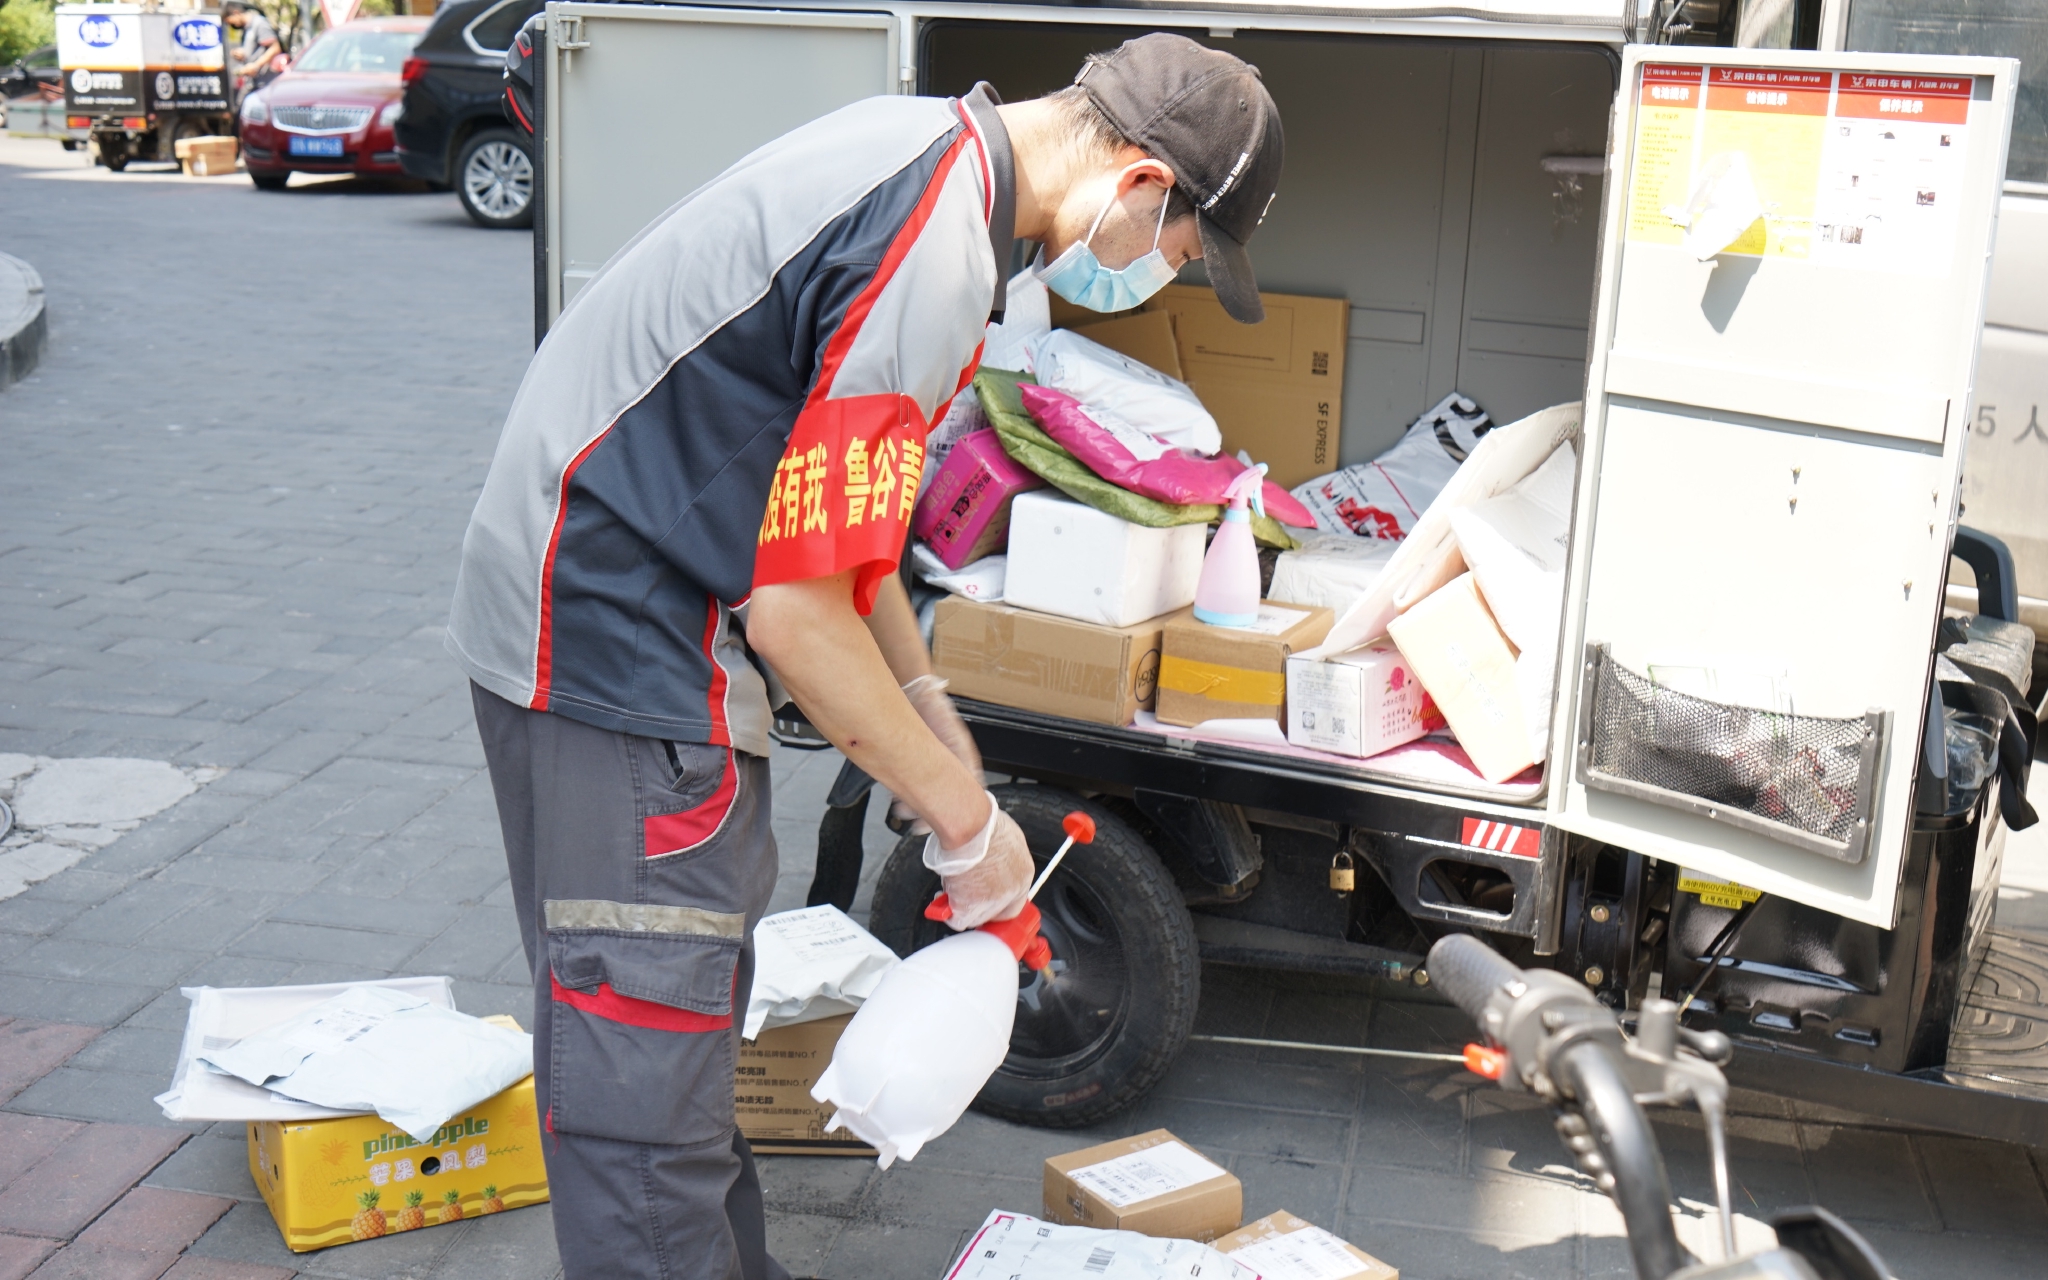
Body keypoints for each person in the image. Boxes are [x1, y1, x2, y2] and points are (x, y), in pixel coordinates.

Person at [447, 32, 1283, 1280]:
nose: (1160, 275)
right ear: (1145, 181)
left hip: (634, 598)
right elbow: (797, 615)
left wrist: (934, 718)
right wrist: (968, 830)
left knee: (678, 1040)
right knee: (640, 1072)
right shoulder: (934, 248)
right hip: (614, 635)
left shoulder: (935, 166)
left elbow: (848, 544)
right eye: (1181, 251)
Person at [223, 1, 282, 97]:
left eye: (231, 21)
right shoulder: (246, 28)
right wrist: (242, 54)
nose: (232, 25)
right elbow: (255, 50)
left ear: (236, 13)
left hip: (265, 82)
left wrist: (256, 65)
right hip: (253, 82)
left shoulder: (259, 23)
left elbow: (275, 48)